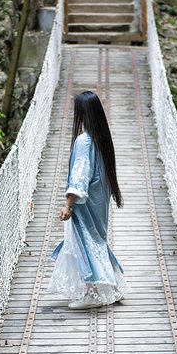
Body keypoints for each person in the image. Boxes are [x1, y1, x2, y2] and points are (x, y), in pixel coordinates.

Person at [48, 91, 130, 310]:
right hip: (99, 200)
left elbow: (80, 174)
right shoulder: (101, 139)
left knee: (84, 244)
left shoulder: (83, 141)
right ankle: (113, 287)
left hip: (85, 203)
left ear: (82, 115)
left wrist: (69, 204)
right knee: (97, 242)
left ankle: (93, 294)